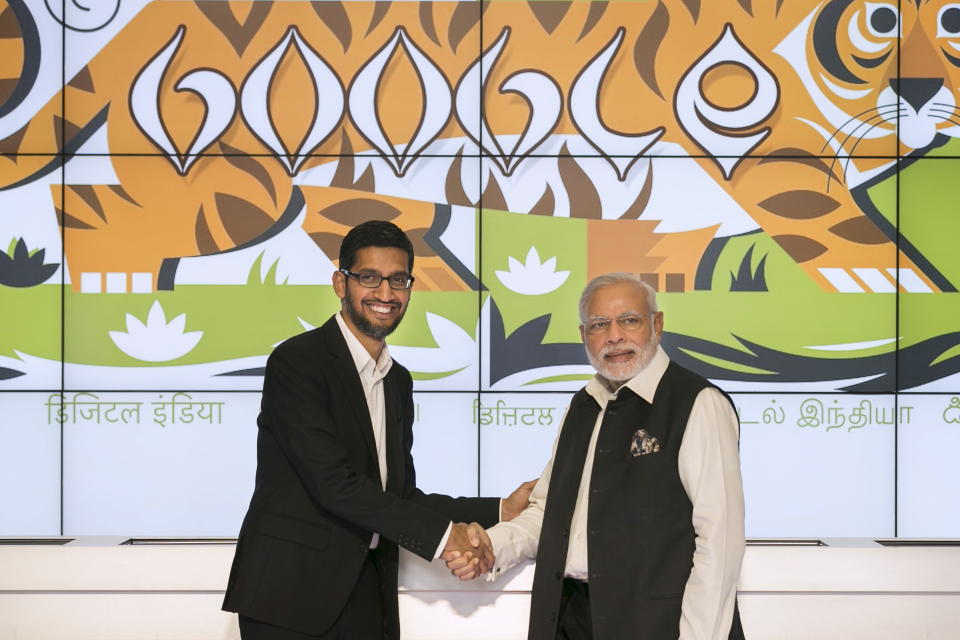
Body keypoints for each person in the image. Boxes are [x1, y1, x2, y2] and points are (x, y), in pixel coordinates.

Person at [223, 220, 532, 639]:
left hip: (367, 592)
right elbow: (334, 484)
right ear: (340, 283)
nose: (386, 294)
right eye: (369, 278)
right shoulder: (298, 362)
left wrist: (500, 510)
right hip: (290, 597)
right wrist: (447, 538)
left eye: (398, 280)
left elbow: (398, 497)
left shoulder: (397, 380)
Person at [448, 272, 746, 640]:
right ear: (583, 336)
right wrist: (492, 547)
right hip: (570, 619)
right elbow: (549, 513)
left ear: (658, 324)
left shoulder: (698, 403)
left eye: (629, 321)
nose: (614, 336)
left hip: (657, 627)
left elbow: (720, 540)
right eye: (599, 325)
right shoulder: (583, 406)